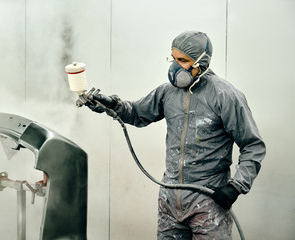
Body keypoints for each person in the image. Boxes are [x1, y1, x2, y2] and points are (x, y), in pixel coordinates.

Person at [86, 31, 266, 240]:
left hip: (208, 202)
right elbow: (136, 113)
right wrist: (111, 104)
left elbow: (253, 146)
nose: (175, 66)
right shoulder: (167, 92)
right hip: (170, 201)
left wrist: (236, 186)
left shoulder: (225, 96)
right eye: (173, 59)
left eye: (183, 60)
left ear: (202, 62)